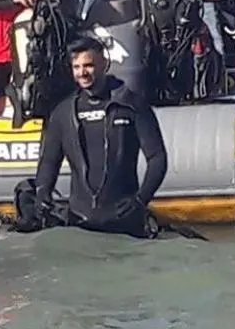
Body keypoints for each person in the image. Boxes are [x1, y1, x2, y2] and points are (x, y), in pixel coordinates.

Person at [33, 35, 168, 236]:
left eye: (88, 65)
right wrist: (42, 194)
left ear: (104, 63)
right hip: (79, 223)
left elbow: (157, 158)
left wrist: (141, 200)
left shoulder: (131, 104)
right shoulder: (63, 112)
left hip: (124, 221)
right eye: (76, 67)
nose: (82, 73)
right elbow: (49, 162)